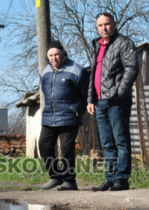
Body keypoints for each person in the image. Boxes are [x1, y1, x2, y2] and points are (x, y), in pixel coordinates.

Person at [87, 12, 139, 192]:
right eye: (100, 25)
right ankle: (110, 178)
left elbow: (132, 68)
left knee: (121, 141)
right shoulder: (97, 45)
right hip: (100, 102)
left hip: (117, 101)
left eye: (107, 24)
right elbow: (94, 74)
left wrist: (119, 92)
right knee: (107, 142)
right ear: (97, 27)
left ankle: (122, 179)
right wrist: (91, 99)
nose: (104, 28)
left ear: (114, 24)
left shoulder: (124, 43)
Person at [39, 40, 89, 191]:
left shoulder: (76, 69)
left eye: (56, 54)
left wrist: (77, 110)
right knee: (44, 145)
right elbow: (44, 91)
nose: (54, 58)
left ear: (63, 54)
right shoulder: (46, 71)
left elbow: (85, 93)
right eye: (51, 55)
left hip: (69, 116)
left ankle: (69, 181)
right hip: (49, 116)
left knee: (67, 149)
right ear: (47, 56)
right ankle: (55, 176)